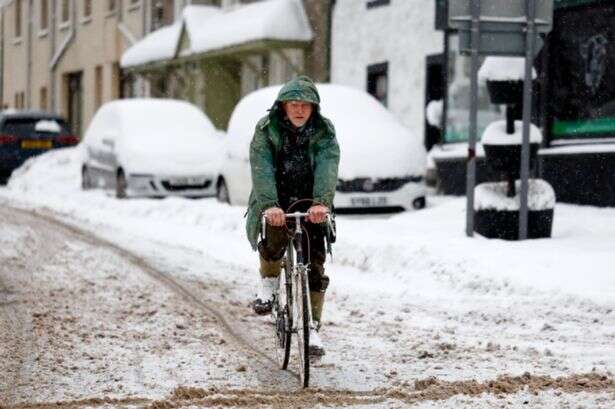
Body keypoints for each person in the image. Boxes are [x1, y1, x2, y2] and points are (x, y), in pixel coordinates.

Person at [245, 76, 340, 357]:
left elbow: (327, 165)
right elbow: (261, 166)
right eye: (293, 104)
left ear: (314, 109)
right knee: (274, 233)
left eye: (305, 105)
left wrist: (321, 203)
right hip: (275, 197)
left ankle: (312, 328)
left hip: (311, 202)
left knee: (314, 261)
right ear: (282, 107)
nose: (299, 110)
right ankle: (269, 284)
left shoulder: (324, 132)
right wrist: (269, 205)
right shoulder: (266, 130)